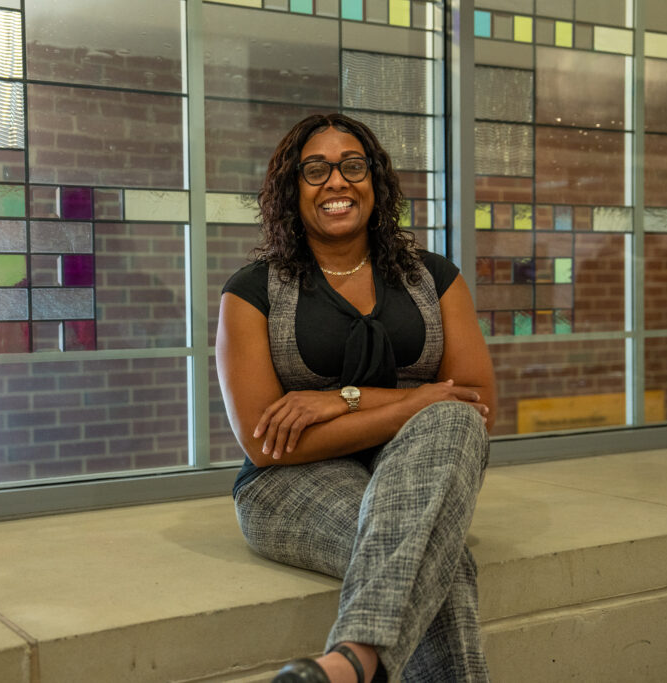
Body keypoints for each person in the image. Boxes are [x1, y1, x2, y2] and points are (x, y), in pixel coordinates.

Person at [215, 112, 497, 683]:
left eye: (352, 166)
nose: (336, 182)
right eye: (315, 170)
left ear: (376, 181)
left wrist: (339, 400)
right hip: (289, 483)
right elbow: (267, 443)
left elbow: (474, 403)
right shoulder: (252, 291)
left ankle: (351, 662)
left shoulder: (434, 278)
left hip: (415, 469)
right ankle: (356, 663)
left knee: (453, 424)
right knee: (440, 561)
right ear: (291, 190)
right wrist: (413, 403)